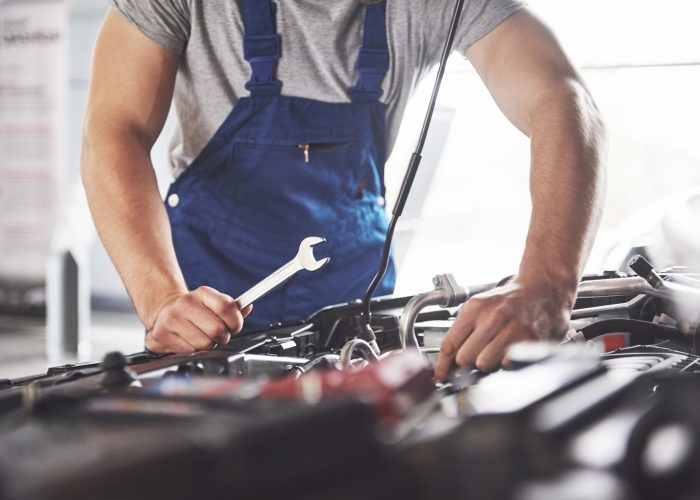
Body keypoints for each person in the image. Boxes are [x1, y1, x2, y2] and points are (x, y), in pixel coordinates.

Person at [81, 0, 606, 377]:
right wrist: (161, 299)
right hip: (203, 296)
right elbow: (114, 131)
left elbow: (563, 101)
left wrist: (547, 284)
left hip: (353, 295)